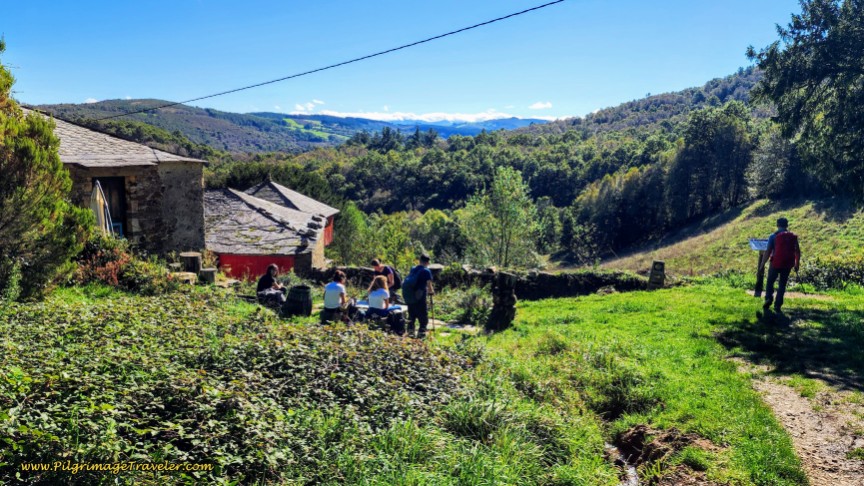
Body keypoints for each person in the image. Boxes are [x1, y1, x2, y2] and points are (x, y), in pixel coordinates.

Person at [763, 217, 801, 313]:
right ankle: (778, 305)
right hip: (788, 264)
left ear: (777, 225)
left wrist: (762, 264)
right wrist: (797, 264)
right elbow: (797, 252)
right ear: (787, 225)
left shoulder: (773, 236)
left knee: (770, 281)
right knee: (782, 284)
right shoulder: (792, 237)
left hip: (775, 263)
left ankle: (768, 298)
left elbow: (768, 252)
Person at [405, 254, 434, 339]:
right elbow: (429, 284)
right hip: (420, 296)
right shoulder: (426, 271)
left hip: (410, 296)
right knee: (423, 316)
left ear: (419, 260)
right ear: (428, 262)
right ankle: (421, 333)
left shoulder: (413, 269)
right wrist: (431, 292)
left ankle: (410, 333)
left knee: (411, 314)